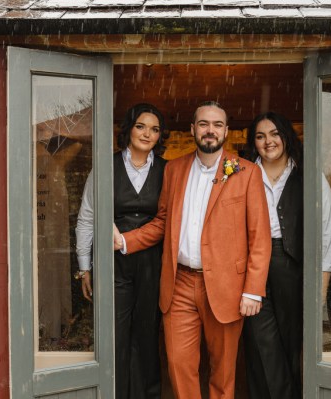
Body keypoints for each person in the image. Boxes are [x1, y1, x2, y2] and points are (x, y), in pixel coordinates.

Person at [114, 101, 272, 399]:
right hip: (179, 284)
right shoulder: (174, 169)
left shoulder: (245, 172)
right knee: (179, 365)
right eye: (203, 124)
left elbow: (259, 237)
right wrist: (125, 240)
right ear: (192, 129)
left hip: (227, 286)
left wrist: (253, 290)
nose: (209, 130)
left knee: (223, 371)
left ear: (226, 131)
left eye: (216, 125)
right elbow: (162, 223)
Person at [242, 111, 331, 399]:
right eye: (260, 136)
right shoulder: (243, 173)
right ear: (253, 143)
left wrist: (321, 289)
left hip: (294, 267)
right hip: (252, 267)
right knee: (261, 344)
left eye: (274, 134)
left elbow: (327, 231)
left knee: (293, 344)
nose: (268, 141)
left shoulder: (308, 174)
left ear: (286, 137)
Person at [75, 103, 168, 399]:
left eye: (154, 129)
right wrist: (84, 267)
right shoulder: (105, 166)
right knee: (115, 335)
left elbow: (171, 220)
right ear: (128, 129)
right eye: (141, 126)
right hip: (112, 262)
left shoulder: (168, 170)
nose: (147, 134)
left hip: (154, 262)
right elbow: (87, 216)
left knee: (147, 332)